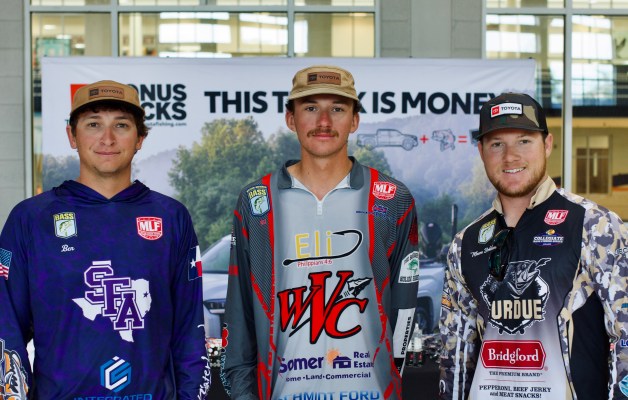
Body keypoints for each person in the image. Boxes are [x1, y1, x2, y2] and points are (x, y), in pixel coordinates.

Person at [0, 80, 211, 399]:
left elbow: (189, 332)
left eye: (121, 125)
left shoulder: (172, 217)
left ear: (140, 138)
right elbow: (7, 328)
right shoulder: (30, 218)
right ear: (72, 136)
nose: (107, 138)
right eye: (93, 124)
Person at [220, 65, 420, 399]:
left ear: (354, 120)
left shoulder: (393, 198)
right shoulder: (257, 202)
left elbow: (405, 312)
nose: (324, 121)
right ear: (291, 118)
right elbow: (239, 317)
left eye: (337, 109)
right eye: (311, 108)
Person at [439, 93, 628, 399]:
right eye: (497, 144)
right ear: (481, 151)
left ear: (547, 144)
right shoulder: (465, 243)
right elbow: (454, 353)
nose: (510, 157)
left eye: (524, 141)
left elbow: (626, 338)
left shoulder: (596, 226)